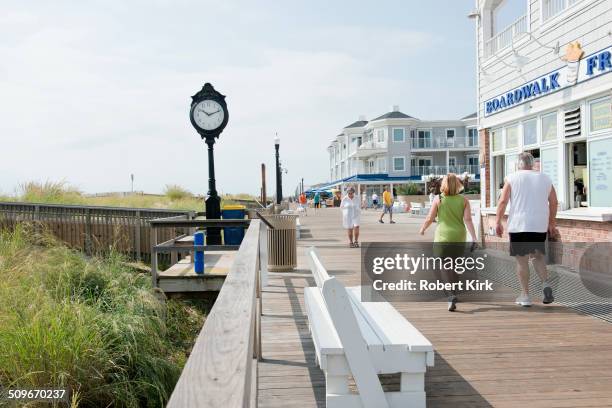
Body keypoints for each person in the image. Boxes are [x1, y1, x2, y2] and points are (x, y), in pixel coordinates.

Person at [496, 152, 558, 307]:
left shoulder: (511, 178)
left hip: (519, 225)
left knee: (522, 260)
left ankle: (525, 296)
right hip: (539, 225)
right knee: (538, 257)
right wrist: (551, 223)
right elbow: (554, 202)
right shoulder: (545, 178)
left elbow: (503, 201)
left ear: (518, 164)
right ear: (532, 163)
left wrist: (497, 221)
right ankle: (545, 284)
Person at [419, 173, 478, 311]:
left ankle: (450, 295)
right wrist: (474, 237)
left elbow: (430, 218)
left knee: (445, 266)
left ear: (443, 184)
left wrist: (423, 228)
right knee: (455, 265)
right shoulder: (464, 200)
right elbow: (468, 220)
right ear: (458, 185)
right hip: (459, 236)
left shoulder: (438, 199)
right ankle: (455, 292)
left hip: (443, 236)